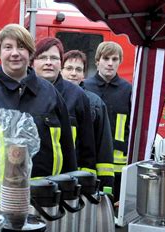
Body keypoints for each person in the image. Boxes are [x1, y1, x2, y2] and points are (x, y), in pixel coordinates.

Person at [0, 24, 77, 205]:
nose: (15, 53)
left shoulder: (51, 94)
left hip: (43, 204)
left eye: (21, 47)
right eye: (8, 47)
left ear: (30, 52)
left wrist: (68, 196)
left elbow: (66, 149)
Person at [32, 37, 96, 175]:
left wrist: (83, 184)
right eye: (43, 57)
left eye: (54, 58)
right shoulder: (23, 92)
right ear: (32, 63)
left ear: (61, 63)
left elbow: (87, 147)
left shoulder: (78, 96)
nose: (49, 63)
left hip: (65, 182)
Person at [84, 41, 132, 201]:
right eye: (106, 58)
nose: (110, 63)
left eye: (115, 59)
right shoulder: (85, 87)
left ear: (120, 62)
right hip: (89, 160)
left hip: (118, 165)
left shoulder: (128, 90)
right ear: (97, 61)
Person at [62, 50, 115, 190]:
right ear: (60, 70)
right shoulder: (49, 98)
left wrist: (106, 187)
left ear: (83, 75)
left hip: (83, 182)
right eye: (68, 68)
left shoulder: (95, 103)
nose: (73, 73)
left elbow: (104, 148)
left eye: (78, 69)